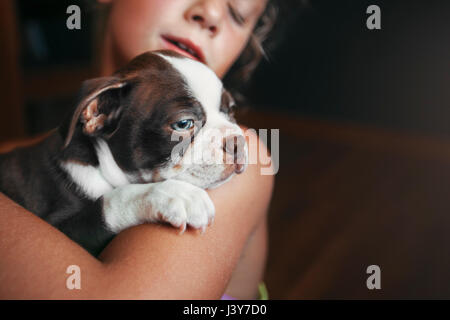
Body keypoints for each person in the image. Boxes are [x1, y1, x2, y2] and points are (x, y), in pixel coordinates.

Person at [0, 0, 277, 299]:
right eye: (184, 123)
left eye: (238, 15)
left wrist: (128, 203)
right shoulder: (27, 158)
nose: (210, 14)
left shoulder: (249, 160)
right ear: (96, 112)